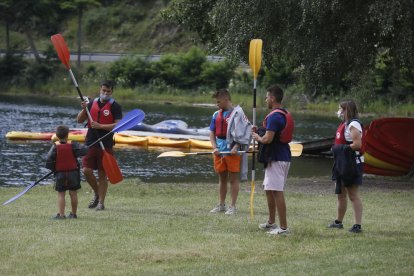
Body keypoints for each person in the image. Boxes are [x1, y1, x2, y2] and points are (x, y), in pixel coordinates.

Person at [252, 85, 294, 235]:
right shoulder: (281, 114)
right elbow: (272, 134)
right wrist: (259, 131)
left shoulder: (275, 116)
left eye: (267, 97)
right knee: (269, 189)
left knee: (277, 191)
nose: (265, 100)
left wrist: (257, 137)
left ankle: (283, 228)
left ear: (273, 98)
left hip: (277, 158)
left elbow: (268, 139)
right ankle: (271, 222)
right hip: (279, 157)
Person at [77, 80, 122, 211]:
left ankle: (101, 203)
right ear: (100, 90)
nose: (105, 93)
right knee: (86, 170)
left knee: (102, 174)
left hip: (106, 144)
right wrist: (83, 109)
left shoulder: (115, 107)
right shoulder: (91, 103)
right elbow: (79, 120)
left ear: (112, 92)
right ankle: (97, 193)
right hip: (91, 142)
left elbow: (118, 126)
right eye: (103, 90)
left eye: (108, 91)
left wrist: (101, 126)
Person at [209, 88, 250, 215]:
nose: (217, 104)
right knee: (222, 178)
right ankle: (221, 205)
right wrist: (214, 147)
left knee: (233, 179)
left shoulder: (238, 114)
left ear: (226, 100)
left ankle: (233, 206)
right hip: (219, 151)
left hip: (233, 151)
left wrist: (236, 146)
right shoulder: (216, 114)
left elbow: (243, 133)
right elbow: (212, 132)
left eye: (219, 101)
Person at [329, 99, 364, 233]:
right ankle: (338, 222)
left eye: (340, 109)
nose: (339, 111)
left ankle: (357, 225)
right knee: (341, 194)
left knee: (353, 194)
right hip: (341, 163)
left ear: (347, 110)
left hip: (351, 163)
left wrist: (340, 148)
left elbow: (357, 144)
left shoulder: (353, 124)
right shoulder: (345, 124)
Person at [46, 125, 88, 219]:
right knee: (73, 193)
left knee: (61, 194)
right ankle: (73, 214)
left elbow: (49, 159)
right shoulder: (73, 144)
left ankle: (61, 215)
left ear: (57, 135)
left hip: (60, 173)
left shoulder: (55, 147)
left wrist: (53, 168)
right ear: (68, 135)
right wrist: (78, 152)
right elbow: (85, 150)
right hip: (73, 173)